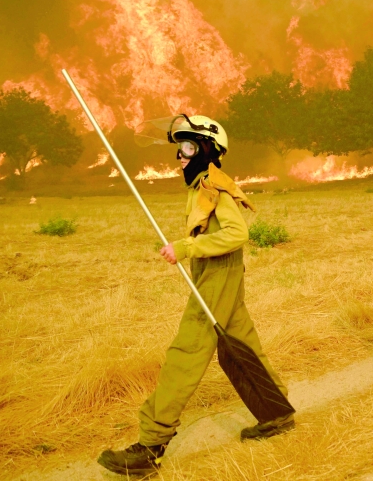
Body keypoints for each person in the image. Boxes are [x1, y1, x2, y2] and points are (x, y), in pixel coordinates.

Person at [98, 115, 292, 476]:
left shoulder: (214, 186)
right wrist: (193, 250)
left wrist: (186, 247)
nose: (181, 156)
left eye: (187, 147)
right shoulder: (201, 184)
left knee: (185, 353)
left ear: (207, 149)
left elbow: (237, 234)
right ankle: (277, 412)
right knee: (242, 343)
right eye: (178, 148)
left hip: (218, 275)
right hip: (218, 273)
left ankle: (150, 445)